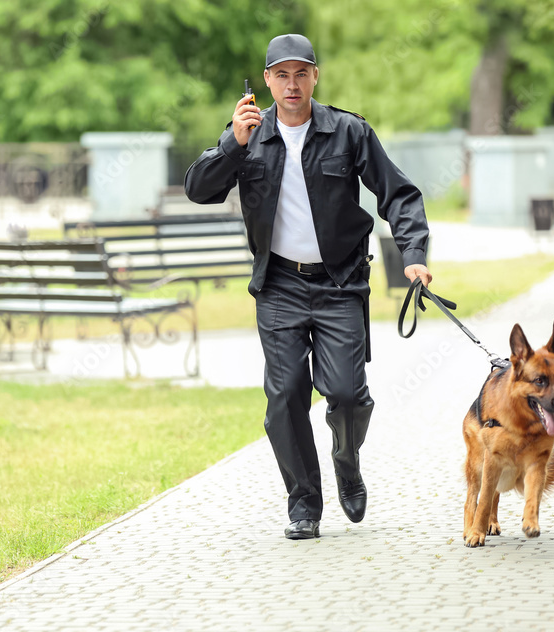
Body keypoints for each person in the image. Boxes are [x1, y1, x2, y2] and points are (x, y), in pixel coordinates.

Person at [185, 34, 432, 539]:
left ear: (315, 76)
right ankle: (304, 503)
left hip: (341, 282)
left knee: (346, 392)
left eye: (302, 73)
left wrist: (413, 256)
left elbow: (399, 194)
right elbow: (198, 189)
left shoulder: (348, 132)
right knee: (285, 396)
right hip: (278, 284)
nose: (292, 84)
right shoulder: (248, 133)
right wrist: (232, 142)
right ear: (267, 80)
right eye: (282, 74)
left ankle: (346, 458)